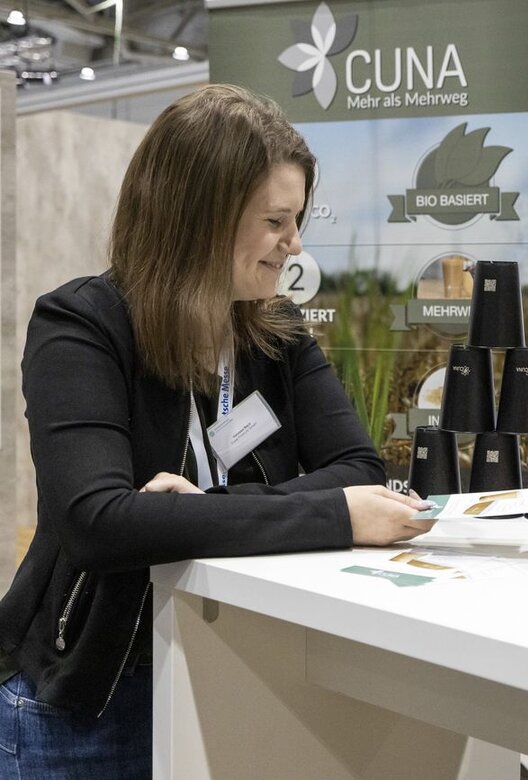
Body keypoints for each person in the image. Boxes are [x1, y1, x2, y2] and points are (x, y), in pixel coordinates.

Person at [0, 84, 435, 777]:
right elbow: (96, 522)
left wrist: (202, 511)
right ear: (199, 217)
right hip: (95, 697)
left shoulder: (278, 333)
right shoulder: (82, 326)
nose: (294, 243)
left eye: (295, 220)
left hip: (241, 668)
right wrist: (324, 514)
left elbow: (356, 469)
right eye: (275, 221)